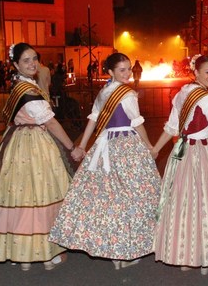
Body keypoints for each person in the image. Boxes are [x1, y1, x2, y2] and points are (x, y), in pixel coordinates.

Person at [49, 53, 160, 270]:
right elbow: (137, 123)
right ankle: (127, 250)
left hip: (105, 145)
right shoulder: (127, 93)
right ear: (110, 72)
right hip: (127, 143)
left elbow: (93, 118)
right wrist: (149, 146)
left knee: (106, 198)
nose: (127, 73)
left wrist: (82, 145)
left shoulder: (104, 92)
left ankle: (113, 250)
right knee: (133, 195)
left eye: (128, 69)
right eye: (122, 70)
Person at [0, 43, 73, 271]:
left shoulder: (20, 85)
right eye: (26, 60)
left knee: (18, 198)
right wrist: (71, 146)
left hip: (16, 144)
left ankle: (21, 254)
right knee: (41, 195)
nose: (32, 63)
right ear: (16, 64)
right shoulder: (28, 90)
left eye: (34, 58)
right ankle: (47, 254)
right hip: (35, 146)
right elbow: (50, 121)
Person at [151, 55, 208, 275]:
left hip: (182, 152)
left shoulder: (182, 93)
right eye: (207, 72)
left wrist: (156, 148)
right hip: (204, 151)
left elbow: (172, 128)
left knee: (183, 203)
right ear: (196, 73)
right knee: (207, 202)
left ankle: (185, 256)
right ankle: (206, 257)